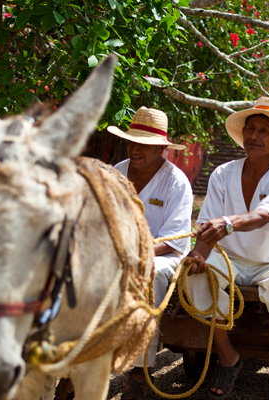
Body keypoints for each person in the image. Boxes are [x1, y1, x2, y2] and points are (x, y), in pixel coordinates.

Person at [185, 97, 269, 400]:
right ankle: (228, 355)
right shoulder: (223, 173)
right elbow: (207, 226)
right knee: (197, 274)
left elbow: (263, 215)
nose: (253, 136)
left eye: (263, 132)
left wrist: (227, 224)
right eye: (250, 129)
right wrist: (198, 254)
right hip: (228, 258)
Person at [108, 107, 194, 400]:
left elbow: (172, 239)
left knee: (150, 272)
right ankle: (73, 366)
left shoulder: (176, 181)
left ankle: (140, 372)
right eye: (132, 142)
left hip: (163, 256)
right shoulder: (116, 173)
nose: (135, 149)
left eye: (143, 145)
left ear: (161, 149)